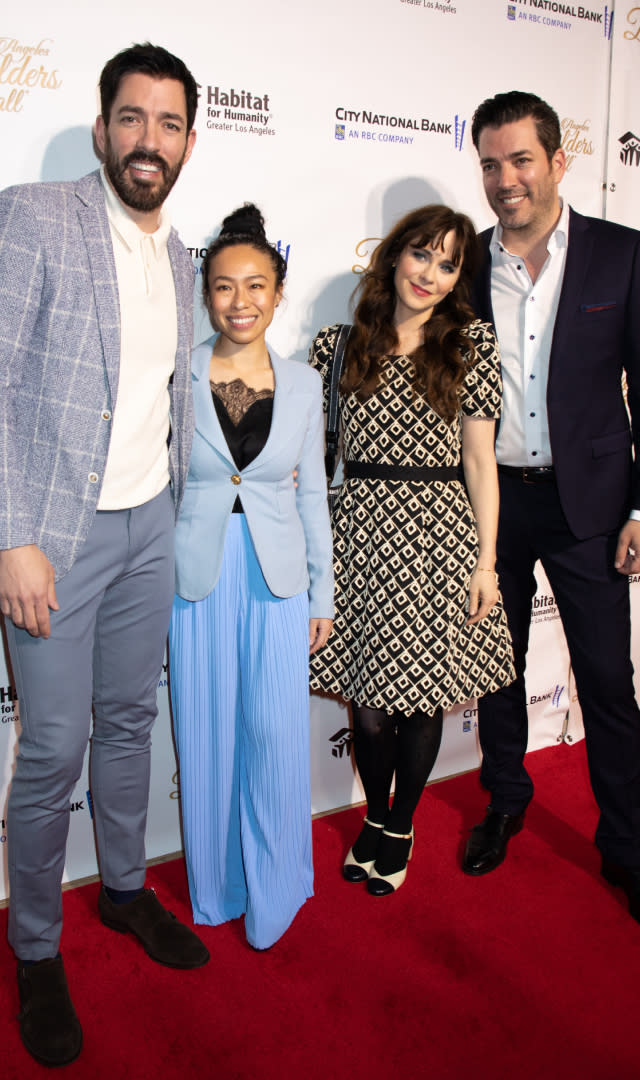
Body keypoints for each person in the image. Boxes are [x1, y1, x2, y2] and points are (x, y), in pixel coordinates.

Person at [0, 43, 209, 1068]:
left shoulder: (180, 256)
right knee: (50, 750)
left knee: (130, 721)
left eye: (169, 125)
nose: (148, 141)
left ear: (188, 143)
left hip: (147, 529)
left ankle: (122, 891)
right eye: (132, 119)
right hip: (55, 536)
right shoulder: (35, 216)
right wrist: (13, 536)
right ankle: (36, 947)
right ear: (101, 127)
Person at [462, 91, 640, 925]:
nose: (506, 180)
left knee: (607, 680)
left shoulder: (621, 257)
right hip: (495, 503)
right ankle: (505, 800)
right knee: (498, 676)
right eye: (491, 163)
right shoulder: (462, 263)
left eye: (521, 160)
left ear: (559, 161)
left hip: (594, 507)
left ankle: (629, 843)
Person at [309, 205, 515, 896]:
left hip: (437, 536)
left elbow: (481, 463)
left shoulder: (469, 344)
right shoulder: (339, 345)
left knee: (421, 697)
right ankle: (376, 814)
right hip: (360, 532)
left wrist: (486, 561)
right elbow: (313, 459)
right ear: (395, 254)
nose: (430, 273)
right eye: (422, 254)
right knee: (367, 701)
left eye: (449, 263)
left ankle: (401, 823)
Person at [169, 204, 333, 950]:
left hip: (276, 577)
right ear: (206, 295)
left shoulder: (303, 385)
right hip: (194, 574)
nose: (241, 302)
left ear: (279, 290)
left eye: (256, 285)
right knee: (204, 736)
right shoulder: (178, 372)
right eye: (225, 287)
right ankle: (217, 889)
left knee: (273, 735)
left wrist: (321, 591)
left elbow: (310, 494)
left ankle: (276, 888)